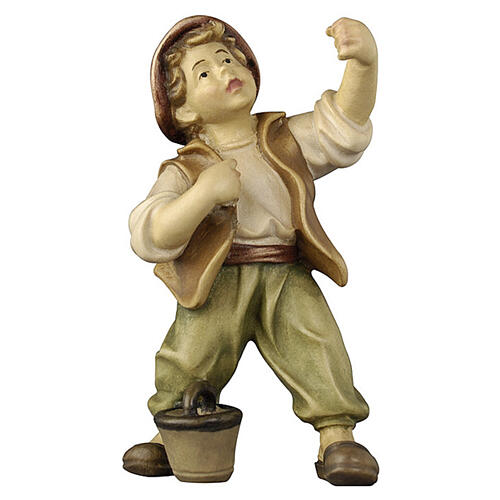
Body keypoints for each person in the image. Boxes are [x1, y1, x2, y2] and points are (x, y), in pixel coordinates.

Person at [124, 15, 379, 486]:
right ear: (184, 111)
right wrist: (202, 194)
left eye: (228, 59)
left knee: (318, 344)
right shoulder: (186, 170)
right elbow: (149, 232)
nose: (225, 70)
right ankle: (169, 432)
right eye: (204, 72)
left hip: (286, 272)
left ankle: (337, 435)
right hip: (217, 278)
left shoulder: (283, 138)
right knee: (191, 353)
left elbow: (343, 126)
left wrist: (363, 65)